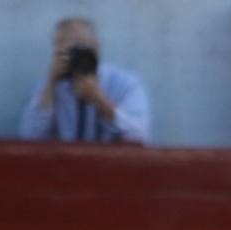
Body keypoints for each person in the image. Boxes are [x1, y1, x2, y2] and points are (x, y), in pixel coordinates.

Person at [18, 17, 150, 144]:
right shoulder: (50, 87)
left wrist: (100, 100)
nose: (76, 56)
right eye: (68, 50)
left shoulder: (124, 83)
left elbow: (140, 136)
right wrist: (50, 85)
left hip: (112, 164)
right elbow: (28, 136)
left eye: (81, 47)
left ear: (97, 46)